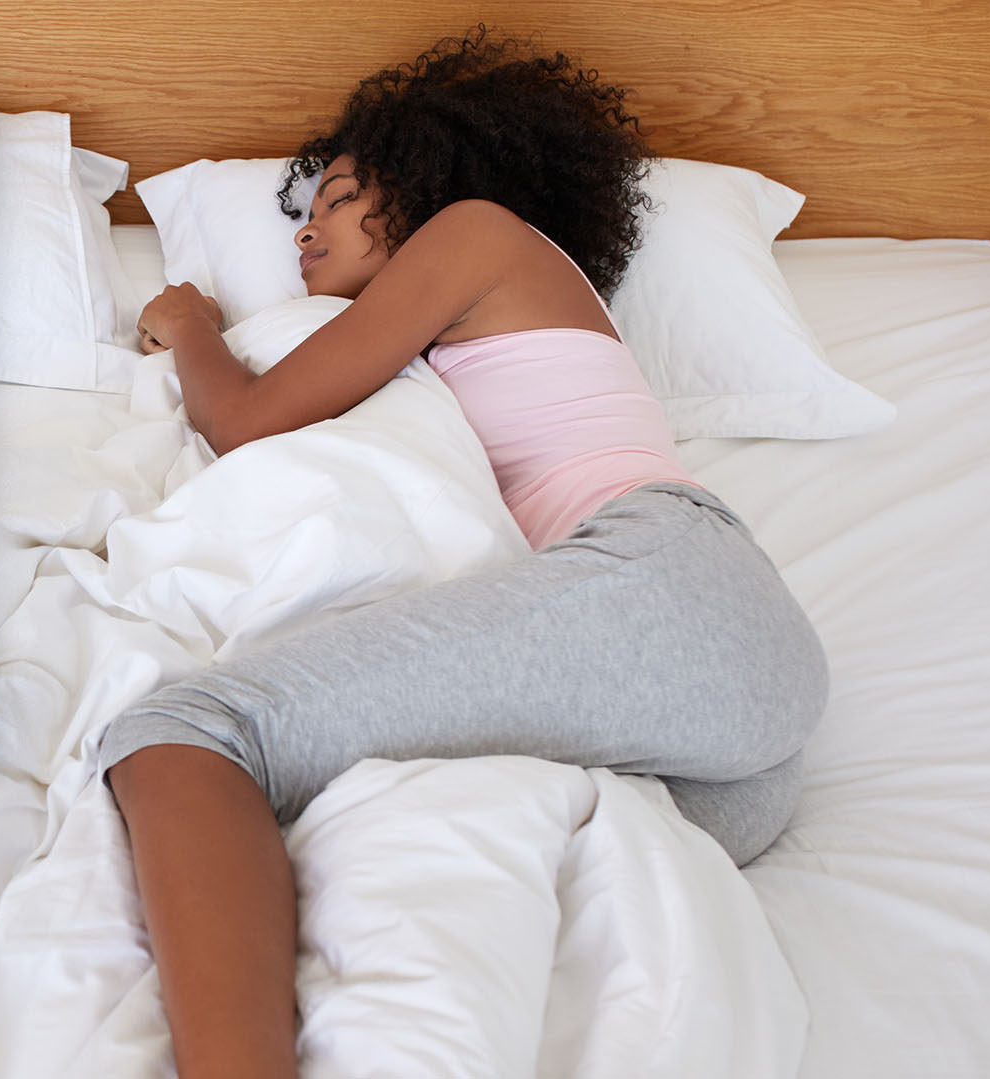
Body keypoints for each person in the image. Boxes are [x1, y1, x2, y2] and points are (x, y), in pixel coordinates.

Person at [102, 25, 830, 1079]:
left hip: (670, 586)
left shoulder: (474, 234)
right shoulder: (471, 324)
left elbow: (249, 419)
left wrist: (190, 322)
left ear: (419, 179)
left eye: (339, 195)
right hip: (716, 738)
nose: (308, 231)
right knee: (393, 828)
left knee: (185, 729)